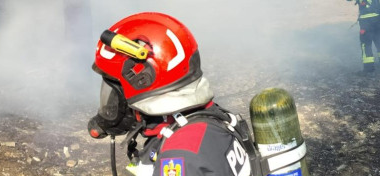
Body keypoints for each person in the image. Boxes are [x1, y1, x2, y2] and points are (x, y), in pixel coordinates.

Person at [87, 12, 255, 176]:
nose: (114, 100)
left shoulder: (180, 156)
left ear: (142, 80)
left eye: (116, 89)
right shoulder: (205, 121)